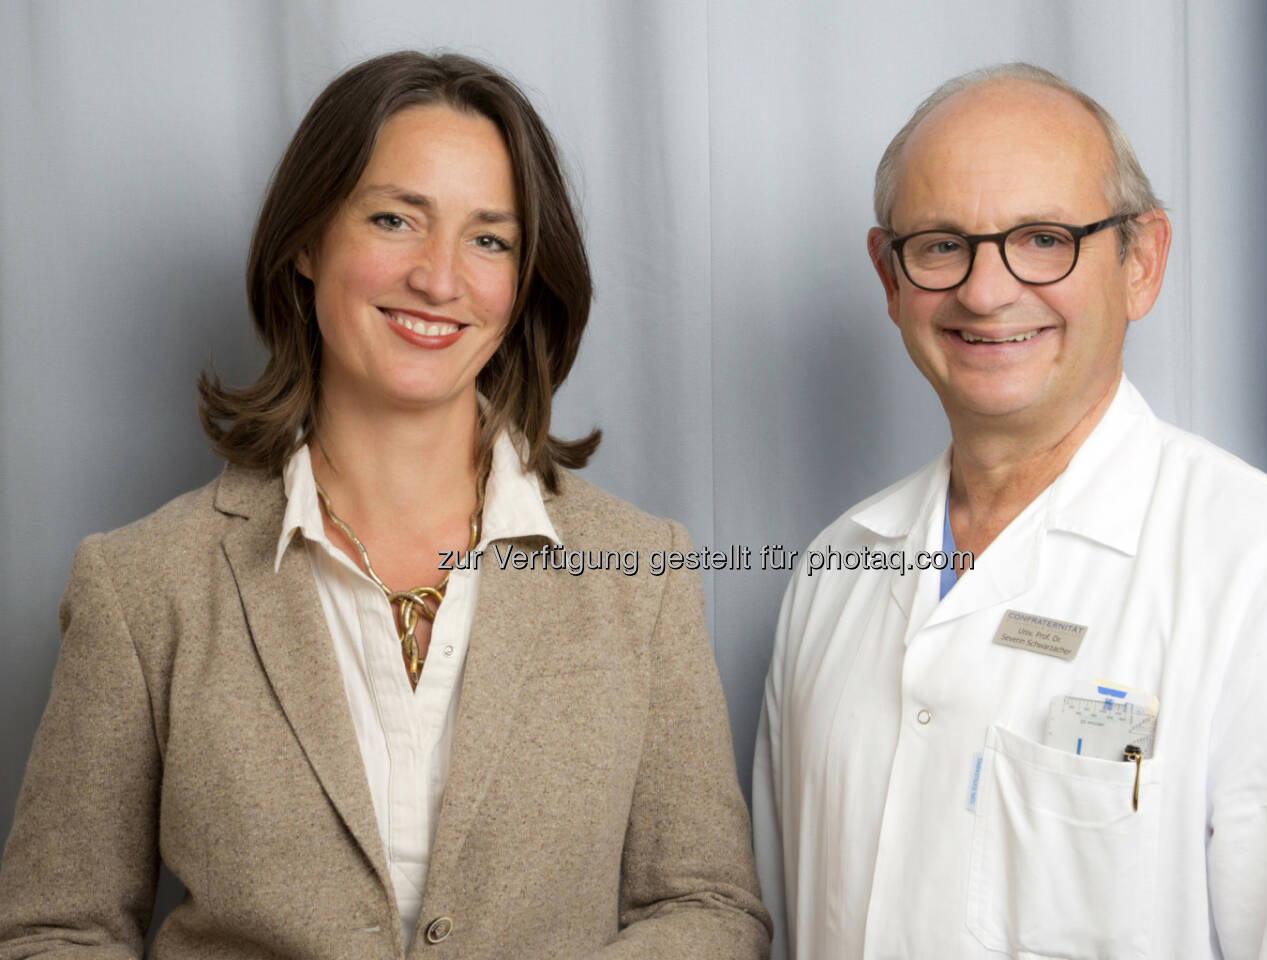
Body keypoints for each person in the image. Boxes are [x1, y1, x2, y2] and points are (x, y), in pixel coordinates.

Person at [0, 51, 769, 959]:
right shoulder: (141, 586)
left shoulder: (643, 573)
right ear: (307, 239)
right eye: (396, 219)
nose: (439, 280)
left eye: (491, 239)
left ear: (524, 282)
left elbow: (709, 908)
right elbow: (59, 929)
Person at [752, 62, 1267, 959]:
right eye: (941, 244)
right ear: (889, 276)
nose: (986, 291)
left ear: (1141, 262)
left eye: (1043, 239)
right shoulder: (835, 570)